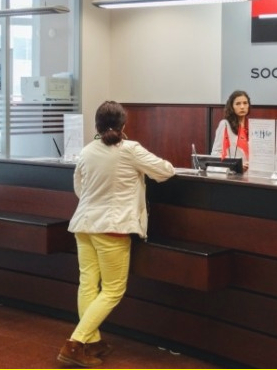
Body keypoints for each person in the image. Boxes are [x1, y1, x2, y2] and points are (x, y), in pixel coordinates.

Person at [58, 101, 175, 367]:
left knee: (88, 284)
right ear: (123, 125)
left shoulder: (87, 151)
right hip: (112, 227)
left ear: (97, 125)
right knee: (112, 290)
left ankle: (91, 341)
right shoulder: (130, 149)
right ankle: (75, 343)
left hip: (83, 225)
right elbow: (165, 171)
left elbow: (79, 188)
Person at [210, 90, 250, 171]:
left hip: (250, 173)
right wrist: (235, 165)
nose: (242, 107)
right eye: (238, 104)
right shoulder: (225, 124)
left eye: (245, 103)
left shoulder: (251, 125)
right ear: (232, 106)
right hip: (233, 173)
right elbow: (216, 153)